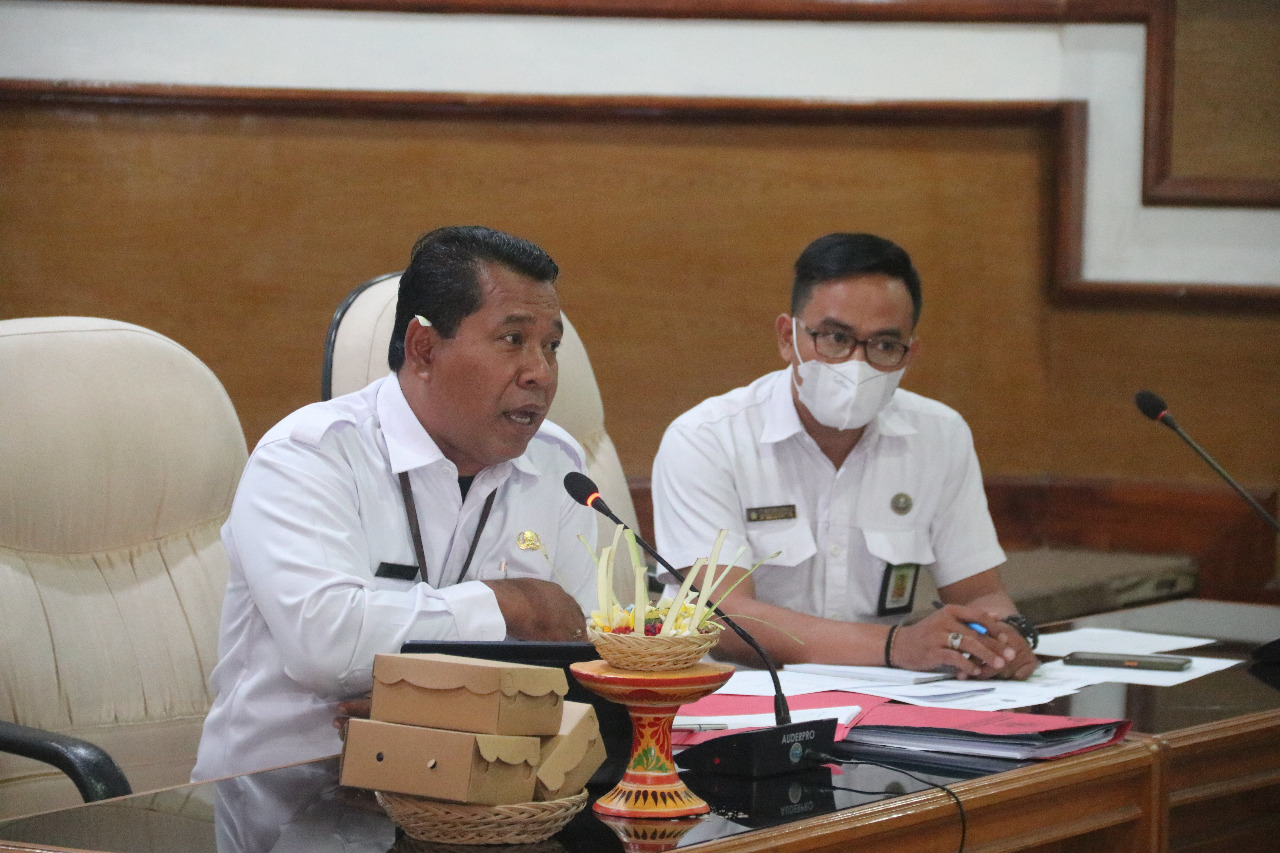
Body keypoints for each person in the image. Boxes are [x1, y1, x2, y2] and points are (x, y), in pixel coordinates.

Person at [193, 226, 599, 782]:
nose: (541, 373)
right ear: (424, 348)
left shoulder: (559, 466)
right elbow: (327, 645)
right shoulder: (310, 455)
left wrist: (433, 710)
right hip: (295, 791)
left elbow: (578, 649)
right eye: (513, 341)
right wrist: (513, 604)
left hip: (485, 792)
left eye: (551, 346)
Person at [651, 232, 1038, 680]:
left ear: (909, 355)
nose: (856, 365)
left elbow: (980, 595)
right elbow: (724, 617)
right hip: (740, 697)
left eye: (884, 346)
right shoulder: (706, 438)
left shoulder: (940, 435)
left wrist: (1005, 639)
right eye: (835, 338)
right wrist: (898, 645)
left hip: (888, 695)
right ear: (787, 337)